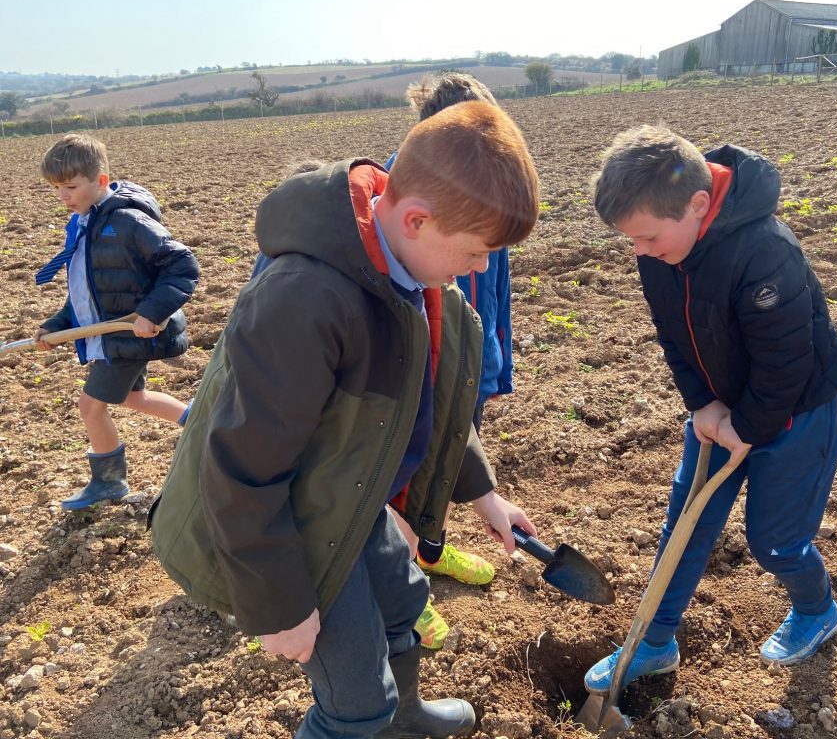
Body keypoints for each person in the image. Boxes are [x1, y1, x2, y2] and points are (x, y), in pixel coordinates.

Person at [151, 100, 541, 739]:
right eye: (476, 254)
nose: (478, 271)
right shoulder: (306, 301)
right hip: (290, 522)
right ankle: (368, 721)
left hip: (348, 495)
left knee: (404, 603)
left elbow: (427, 404)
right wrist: (281, 605)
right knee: (354, 696)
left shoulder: (407, 276)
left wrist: (484, 495)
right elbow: (241, 465)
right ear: (417, 219)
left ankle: (406, 719)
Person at [583, 126, 837, 695]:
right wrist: (703, 405)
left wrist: (747, 427)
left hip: (799, 412)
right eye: (631, 240)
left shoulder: (765, 253)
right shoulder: (660, 252)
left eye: (648, 237)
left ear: (698, 205)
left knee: (774, 541)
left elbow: (786, 365)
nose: (640, 251)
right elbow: (673, 337)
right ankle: (653, 642)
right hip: (720, 408)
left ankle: (816, 609)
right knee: (686, 523)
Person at [384, 73, 515, 650]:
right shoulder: (408, 205)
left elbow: (492, 283)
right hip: (422, 363)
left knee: (448, 461)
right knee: (403, 478)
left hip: (466, 355)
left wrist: (490, 358)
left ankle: (427, 553)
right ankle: (397, 585)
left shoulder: (488, 189)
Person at [33, 133, 198, 510]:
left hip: (131, 332)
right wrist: (57, 324)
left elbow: (182, 265)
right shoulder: (82, 224)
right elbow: (86, 289)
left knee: (90, 406)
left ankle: (108, 483)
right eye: (56, 187)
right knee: (130, 396)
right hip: (114, 335)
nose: (63, 196)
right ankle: (199, 421)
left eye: (71, 186)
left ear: (101, 181)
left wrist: (150, 313)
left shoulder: (126, 221)